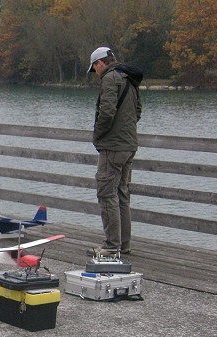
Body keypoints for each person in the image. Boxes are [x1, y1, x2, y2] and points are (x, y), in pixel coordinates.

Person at [86, 47, 142, 256]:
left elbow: (107, 111)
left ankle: (110, 246)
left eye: (94, 68)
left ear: (100, 62)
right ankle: (124, 244)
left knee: (106, 193)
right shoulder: (130, 79)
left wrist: (98, 136)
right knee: (122, 194)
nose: (95, 72)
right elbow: (138, 111)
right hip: (129, 145)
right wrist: (125, 130)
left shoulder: (110, 79)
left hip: (113, 147)